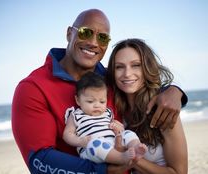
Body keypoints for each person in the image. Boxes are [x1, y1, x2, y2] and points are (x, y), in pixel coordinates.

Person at [11, 9, 188, 174]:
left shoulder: (109, 80)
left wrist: (174, 91)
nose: (93, 43)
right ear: (69, 33)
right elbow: (39, 160)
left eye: (103, 38)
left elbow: (139, 86)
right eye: (85, 32)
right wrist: (104, 170)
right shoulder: (33, 88)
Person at [106, 38, 188, 174]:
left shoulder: (163, 109)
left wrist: (131, 156)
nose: (127, 74)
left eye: (136, 65)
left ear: (147, 68)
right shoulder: (113, 109)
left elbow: (179, 172)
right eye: (119, 67)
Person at [63, 72, 147, 165]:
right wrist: (80, 141)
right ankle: (121, 158)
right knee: (95, 144)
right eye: (90, 101)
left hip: (113, 144)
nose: (97, 105)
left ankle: (135, 147)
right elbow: (67, 134)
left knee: (128, 133)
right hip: (91, 149)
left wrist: (118, 128)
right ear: (78, 100)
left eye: (102, 101)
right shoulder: (76, 115)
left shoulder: (107, 112)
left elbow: (117, 127)